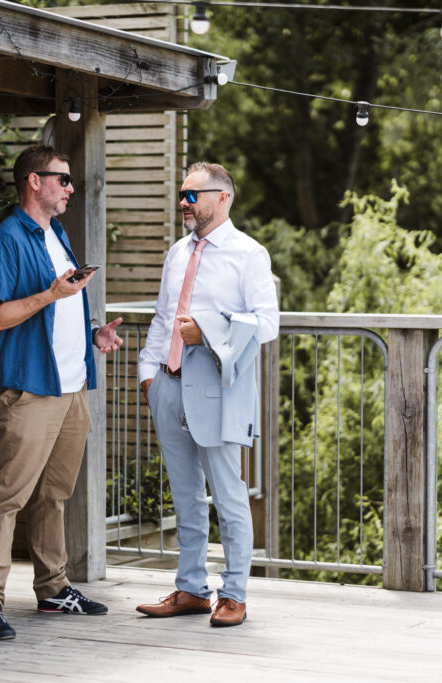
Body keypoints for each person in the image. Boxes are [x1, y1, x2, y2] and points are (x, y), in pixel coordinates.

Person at [0, 144, 124, 640]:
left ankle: (53, 588)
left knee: (54, 495)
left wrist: (94, 332)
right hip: (29, 390)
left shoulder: (57, 235)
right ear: (34, 181)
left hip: (71, 387)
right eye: (63, 179)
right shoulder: (7, 240)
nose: (71, 188)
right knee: (7, 499)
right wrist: (51, 294)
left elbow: (62, 307)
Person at [135, 162, 279, 627]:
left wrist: (209, 332)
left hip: (217, 392)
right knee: (186, 498)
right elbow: (163, 318)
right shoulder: (177, 252)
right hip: (168, 386)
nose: (184, 202)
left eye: (192, 195)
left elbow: (268, 323)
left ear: (222, 198)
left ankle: (233, 594)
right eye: (182, 194)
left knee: (229, 496)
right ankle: (191, 589)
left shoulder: (248, 254)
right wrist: (148, 375)